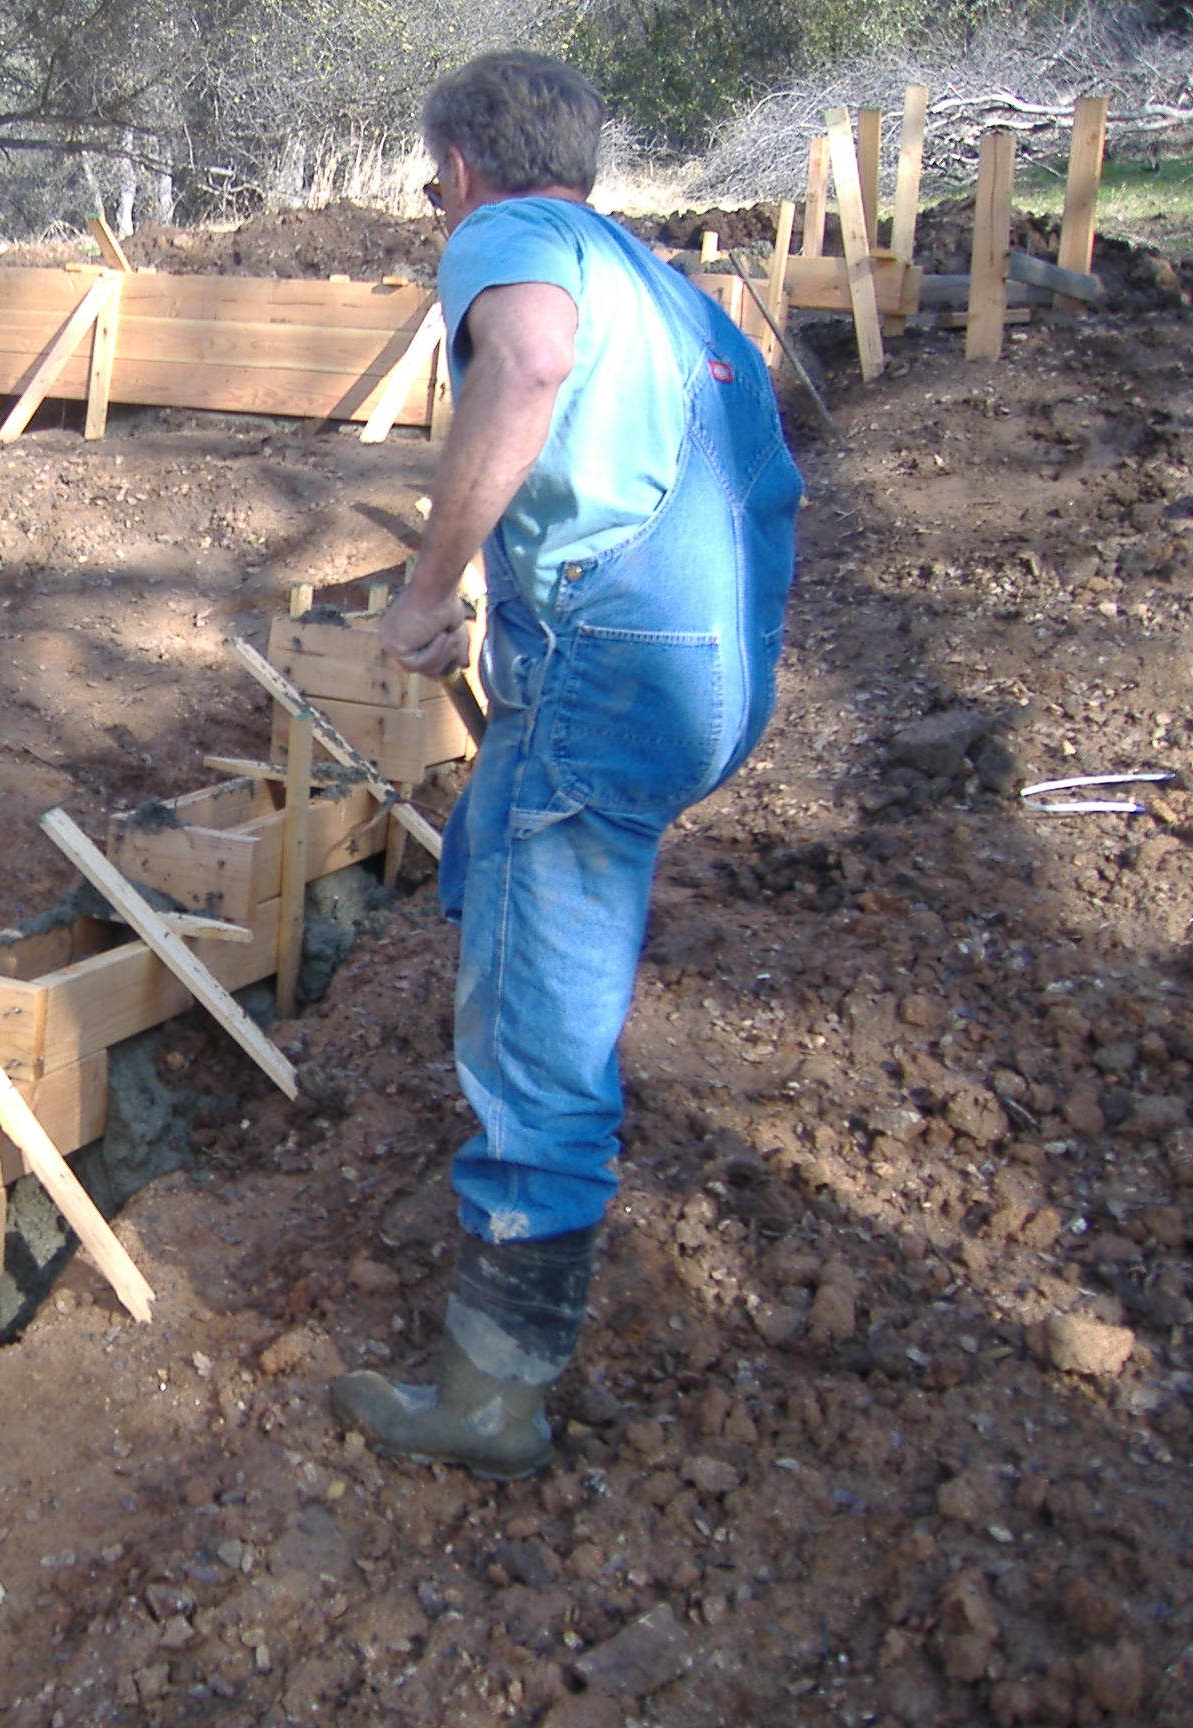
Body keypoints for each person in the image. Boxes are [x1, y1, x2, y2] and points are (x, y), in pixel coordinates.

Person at [330, 53, 801, 1478]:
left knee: (539, 1032)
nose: (437, 207)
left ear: (463, 167)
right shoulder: (659, 282)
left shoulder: (512, 236)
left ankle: (491, 1397)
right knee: (507, 853)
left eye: (433, 186)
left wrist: (428, 590)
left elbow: (528, 363)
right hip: (705, 673)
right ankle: (502, 942)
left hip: (616, 670)